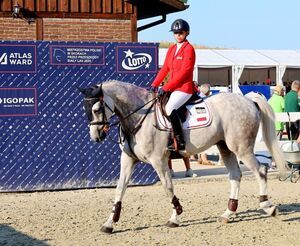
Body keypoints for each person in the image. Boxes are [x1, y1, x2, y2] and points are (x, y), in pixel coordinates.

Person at [149, 19, 197, 152]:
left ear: (186, 33)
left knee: (169, 107)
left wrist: (166, 87)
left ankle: (179, 141)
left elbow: (184, 72)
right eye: (175, 33)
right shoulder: (171, 49)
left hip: (184, 88)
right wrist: (155, 84)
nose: (178, 35)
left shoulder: (189, 49)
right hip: (173, 88)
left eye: (180, 32)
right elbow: (165, 68)